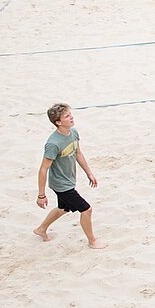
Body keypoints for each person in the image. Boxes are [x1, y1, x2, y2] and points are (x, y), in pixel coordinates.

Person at [33, 103, 106, 249]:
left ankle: (41, 229)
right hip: (60, 184)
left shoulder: (73, 133)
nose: (71, 117)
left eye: (70, 114)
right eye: (67, 116)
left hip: (69, 180)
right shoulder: (53, 144)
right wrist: (41, 195)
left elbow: (78, 153)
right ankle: (92, 241)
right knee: (86, 209)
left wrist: (89, 173)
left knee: (63, 208)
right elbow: (43, 169)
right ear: (58, 122)